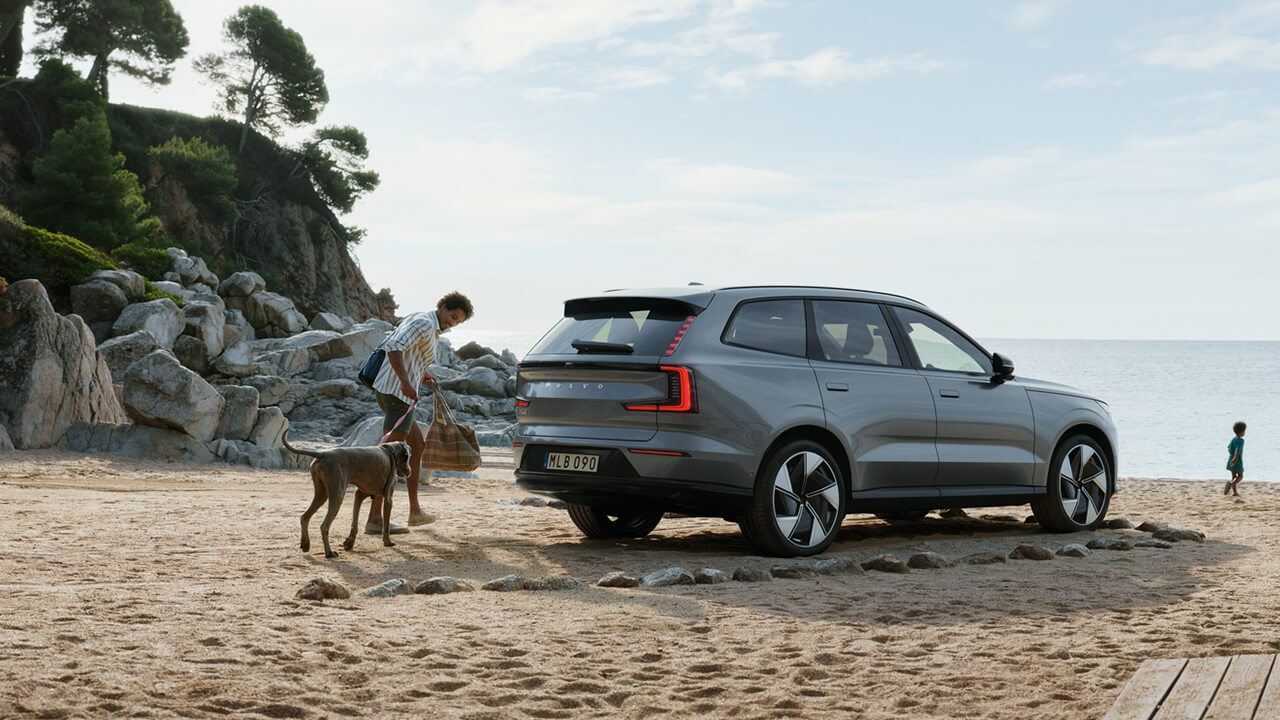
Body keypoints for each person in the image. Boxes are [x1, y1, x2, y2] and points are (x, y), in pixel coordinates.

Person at [365, 291, 474, 534]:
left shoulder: (428, 325)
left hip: (397, 394)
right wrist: (405, 381)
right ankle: (374, 519)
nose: (452, 323)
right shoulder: (425, 323)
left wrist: (420, 374)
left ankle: (415, 511)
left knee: (417, 445)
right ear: (443, 306)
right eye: (452, 316)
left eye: (457, 321)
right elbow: (394, 346)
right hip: (396, 394)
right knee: (390, 457)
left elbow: (409, 353)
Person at [1224, 421, 1246, 497]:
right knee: (1240, 476)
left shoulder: (1233, 439)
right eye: (1244, 431)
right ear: (1242, 431)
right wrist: (1235, 458)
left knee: (1233, 477)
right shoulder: (1241, 440)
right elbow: (1238, 450)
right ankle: (1232, 484)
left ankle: (1235, 492)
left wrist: (1232, 457)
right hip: (1237, 460)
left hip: (1230, 459)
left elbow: (1229, 448)